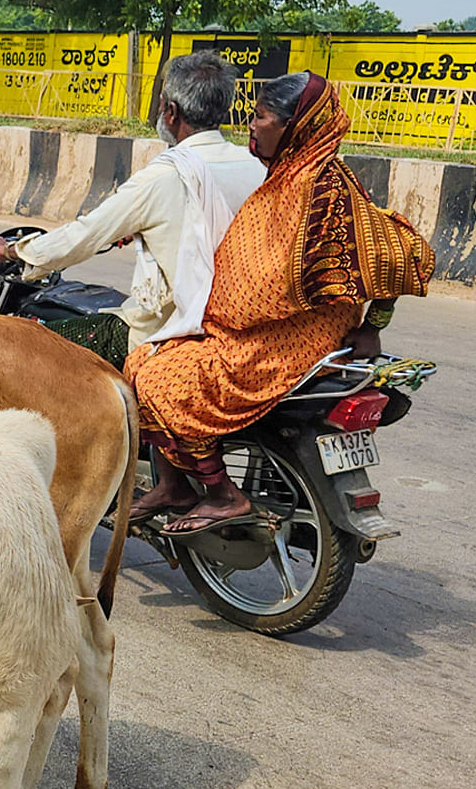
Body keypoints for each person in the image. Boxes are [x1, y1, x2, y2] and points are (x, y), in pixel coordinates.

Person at [125, 71, 434, 535]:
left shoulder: (324, 188)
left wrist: (375, 324)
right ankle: (173, 485)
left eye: (262, 116)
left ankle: (222, 494)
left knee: (153, 375)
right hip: (262, 332)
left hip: (288, 342)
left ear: (297, 126)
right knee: (149, 358)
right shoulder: (289, 176)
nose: (251, 124)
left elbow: (399, 252)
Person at [0, 51, 265, 368]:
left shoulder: (165, 175)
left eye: (162, 102)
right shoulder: (257, 167)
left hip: (164, 332)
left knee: (21, 341)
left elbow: (84, 235)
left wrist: (14, 251)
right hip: (236, 326)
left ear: (171, 112)